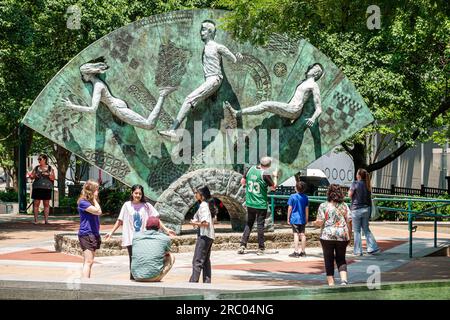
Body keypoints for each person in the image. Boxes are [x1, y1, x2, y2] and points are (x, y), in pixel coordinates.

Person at [159, 19, 242, 139]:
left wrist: (238, 57)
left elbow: (233, 59)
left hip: (214, 79)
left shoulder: (217, 47)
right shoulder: (206, 48)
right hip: (210, 80)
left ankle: (173, 130)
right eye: (201, 30)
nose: (201, 32)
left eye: (203, 30)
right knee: (191, 101)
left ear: (210, 32)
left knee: (189, 99)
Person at [62, 62, 175, 130]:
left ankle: (162, 95)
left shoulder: (97, 86)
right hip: (117, 106)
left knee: (149, 125)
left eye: (82, 75)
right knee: (148, 124)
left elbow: (93, 109)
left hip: (118, 109)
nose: (82, 78)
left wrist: (72, 106)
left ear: (88, 74)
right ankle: (162, 95)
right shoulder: (98, 84)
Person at [104, 184, 175, 280]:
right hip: (131, 238)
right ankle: (133, 279)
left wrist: (166, 229)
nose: (137, 195)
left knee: (143, 259)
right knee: (132, 260)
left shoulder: (147, 206)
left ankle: (142, 277)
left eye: (140, 193)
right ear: (132, 193)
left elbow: (156, 218)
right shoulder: (126, 205)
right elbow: (120, 220)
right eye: (136, 193)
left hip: (143, 238)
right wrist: (111, 232)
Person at [223, 63, 323, 128]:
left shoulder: (314, 86)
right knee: (266, 111)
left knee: (265, 105)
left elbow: (319, 109)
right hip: (290, 108)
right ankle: (237, 113)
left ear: (317, 73)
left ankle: (237, 113)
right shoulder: (304, 82)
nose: (310, 68)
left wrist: (313, 119)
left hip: (294, 110)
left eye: (314, 68)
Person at [237, 156, 277, 255]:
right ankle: (260, 248)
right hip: (260, 204)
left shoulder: (250, 169)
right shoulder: (265, 174)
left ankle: (242, 245)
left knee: (249, 224)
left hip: (250, 203)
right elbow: (273, 188)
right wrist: (275, 176)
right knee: (260, 226)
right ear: (269, 165)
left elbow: (242, 182)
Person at [314, 184, 351, 286]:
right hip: (342, 235)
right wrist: (350, 235)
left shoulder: (323, 206)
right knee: (341, 258)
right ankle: (344, 281)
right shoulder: (344, 206)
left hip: (327, 236)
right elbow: (349, 221)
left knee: (328, 258)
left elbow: (320, 222)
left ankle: (331, 283)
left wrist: (314, 223)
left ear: (328, 193)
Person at [131, 216, 175, 282]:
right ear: (159, 227)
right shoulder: (165, 238)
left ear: (146, 226)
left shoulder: (136, 237)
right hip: (153, 277)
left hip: (136, 276)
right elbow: (167, 252)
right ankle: (154, 275)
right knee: (171, 257)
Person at [348, 168, 379, 256]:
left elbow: (349, 195)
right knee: (366, 229)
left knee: (357, 231)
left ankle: (358, 251)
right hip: (366, 209)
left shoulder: (355, 183)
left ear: (359, 175)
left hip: (356, 209)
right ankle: (373, 247)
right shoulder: (368, 185)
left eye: (357, 173)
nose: (356, 175)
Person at [189, 186, 217, 283]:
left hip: (204, 236)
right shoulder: (205, 205)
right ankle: (207, 282)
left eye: (197, 193)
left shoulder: (204, 205)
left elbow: (206, 223)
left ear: (202, 196)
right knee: (205, 261)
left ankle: (193, 283)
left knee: (197, 260)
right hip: (209, 236)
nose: (195, 195)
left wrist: (194, 223)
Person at [77, 180, 102, 278]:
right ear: (91, 191)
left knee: (89, 262)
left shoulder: (89, 202)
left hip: (94, 233)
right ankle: (85, 284)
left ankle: (86, 281)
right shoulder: (83, 202)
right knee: (88, 261)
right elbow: (98, 211)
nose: (98, 192)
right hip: (86, 234)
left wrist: (94, 199)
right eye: (96, 190)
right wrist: (95, 199)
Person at [28, 154, 55, 225]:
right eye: (38, 159)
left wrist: (48, 175)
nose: (39, 161)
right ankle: (36, 220)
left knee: (46, 204)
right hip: (37, 187)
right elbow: (31, 177)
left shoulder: (50, 168)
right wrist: (33, 176)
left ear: (45, 160)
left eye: (40, 159)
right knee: (36, 204)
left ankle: (46, 220)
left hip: (47, 188)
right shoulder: (36, 168)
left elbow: (53, 178)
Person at [287, 181, 309, 257]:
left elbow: (290, 208)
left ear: (296, 188)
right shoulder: (305, 197)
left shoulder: (292, 196)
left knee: (296, 234)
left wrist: (288, 218)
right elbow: (306, 209)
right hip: (302, 218)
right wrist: (306, 218)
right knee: (302, 234)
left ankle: (296, 251)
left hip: (294, 218)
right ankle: (303, 251)